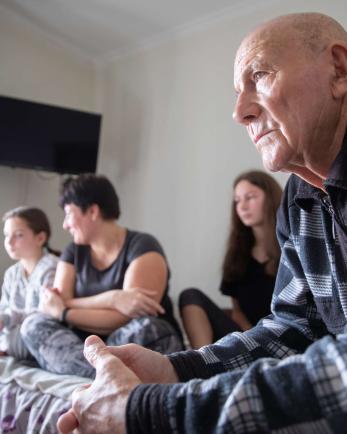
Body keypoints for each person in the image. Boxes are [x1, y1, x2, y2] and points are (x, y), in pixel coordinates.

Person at [58, 12, 347, 434]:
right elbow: (293, 330)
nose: (239, 112)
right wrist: (176, 369)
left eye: (260, 76)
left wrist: (151, 409)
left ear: (339, 70)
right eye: (236, 92)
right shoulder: (300, 200)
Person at [21, 174, 183, 378]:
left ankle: (92, 372)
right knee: (33, 324)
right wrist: (113, 298)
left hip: (131, 340)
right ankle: (104, 374)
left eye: (69, 214)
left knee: (149, 327)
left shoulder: (143, 247)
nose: (65, 225)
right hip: (88, 345)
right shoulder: (73, 251)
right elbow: (59, 304)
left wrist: (65, 311)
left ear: (92, 211)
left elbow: (124, 316)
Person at [180, 170, 282, 348]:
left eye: (250, 197)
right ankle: (200, 363)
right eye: (237, 201)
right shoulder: (238, 253)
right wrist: (251, 336)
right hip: (246, 335)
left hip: (285, 337)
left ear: (271, 198)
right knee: (190, 296)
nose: (242, 207)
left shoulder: (291, 249)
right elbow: (237, 311)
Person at [0, 206, 58, 360]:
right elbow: (4, 308)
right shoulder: (12, 273)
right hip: (12, 341)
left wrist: (5, 320)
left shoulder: (53, 268)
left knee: (32, 327)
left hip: (40, 339)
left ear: (40, 238)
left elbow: (43, 317)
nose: (9, 242)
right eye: (6, 235)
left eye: (18, 235)